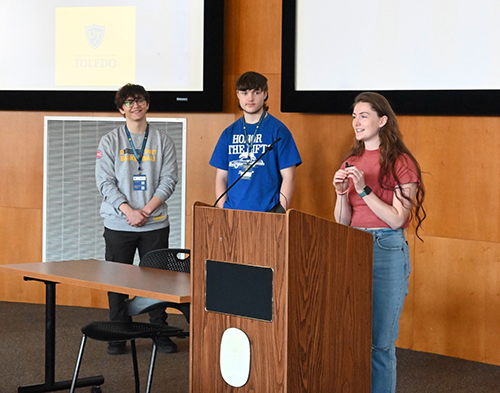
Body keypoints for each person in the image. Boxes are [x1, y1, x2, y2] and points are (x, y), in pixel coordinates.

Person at [332, 92, 426, 393]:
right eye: (354, 116)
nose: (356, 122)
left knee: (380, 343)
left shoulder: (402, 162)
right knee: (352, 338)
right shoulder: (352, 161)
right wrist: (340, 193)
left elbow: (398, 219)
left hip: (386, 249)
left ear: (382, 120)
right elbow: (342, 221)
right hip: (353, 246)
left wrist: (364, 190)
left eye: (363, 116)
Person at [95, 83, 179, 355]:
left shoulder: (163, 140)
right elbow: (104, 182)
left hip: (155, 223)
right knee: (117, 280)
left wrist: (146, 211)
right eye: (129, 102)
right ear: (121, 109)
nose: (136, 105)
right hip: (119, 223)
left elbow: (169, 180)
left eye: (140, 100)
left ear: (147, 104)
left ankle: (158, 331)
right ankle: (119, 333)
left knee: (157, 280)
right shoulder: (110, 141)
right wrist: (128, 211)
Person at [209, 71, 301, 212]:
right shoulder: (228, 133)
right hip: (233, 213)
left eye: (256, 92)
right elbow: (221, 177)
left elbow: (289, 176)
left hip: (268, 213)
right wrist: (223, 208)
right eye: (245, 93)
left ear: (265, 94)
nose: (250, 98)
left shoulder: (278, 131)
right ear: (237, 95)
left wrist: (280, 210)